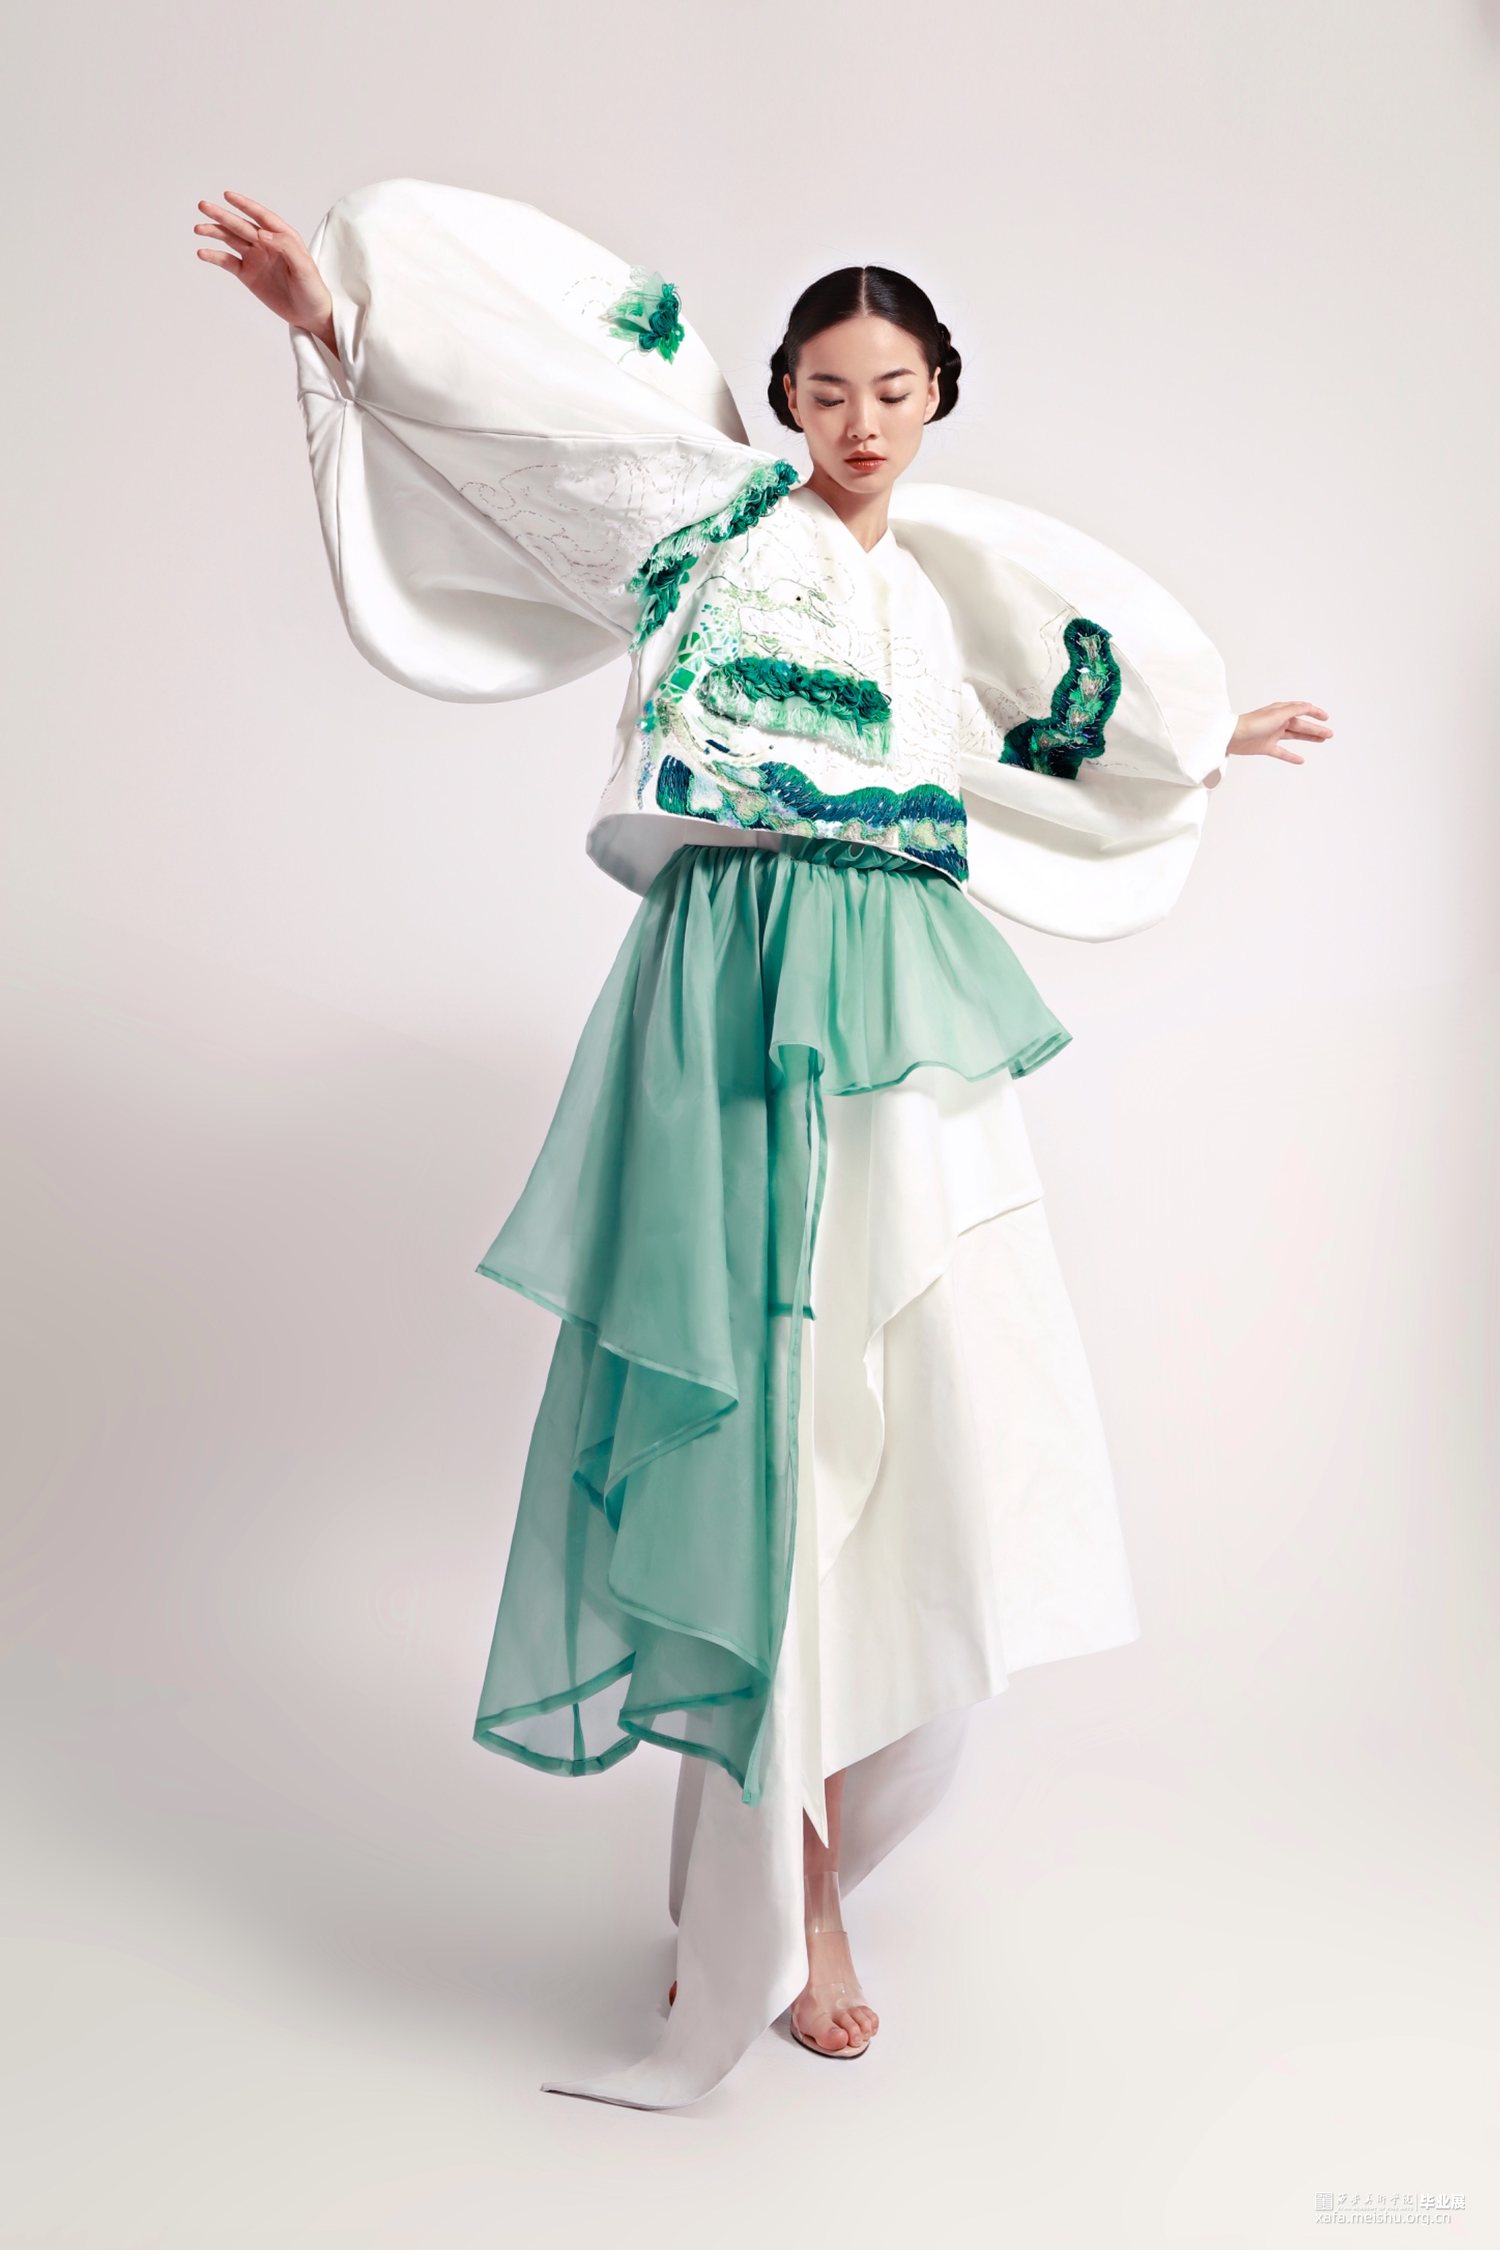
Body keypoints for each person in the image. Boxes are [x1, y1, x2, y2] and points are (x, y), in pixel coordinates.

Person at [193, 177, 1333, 2108]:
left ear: (938, 392)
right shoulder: (710, 526)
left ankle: (819, 1858)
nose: (858, 419)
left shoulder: (949, 594)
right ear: (783, 395)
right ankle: (782, 1903)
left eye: (892, 387)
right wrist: (335, 324)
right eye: (824, 386)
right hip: (729, 990)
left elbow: (1035, 735)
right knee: (769, 1434)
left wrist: (1202, 743)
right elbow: (525, 457)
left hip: (901, 1011)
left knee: (907, 1419)